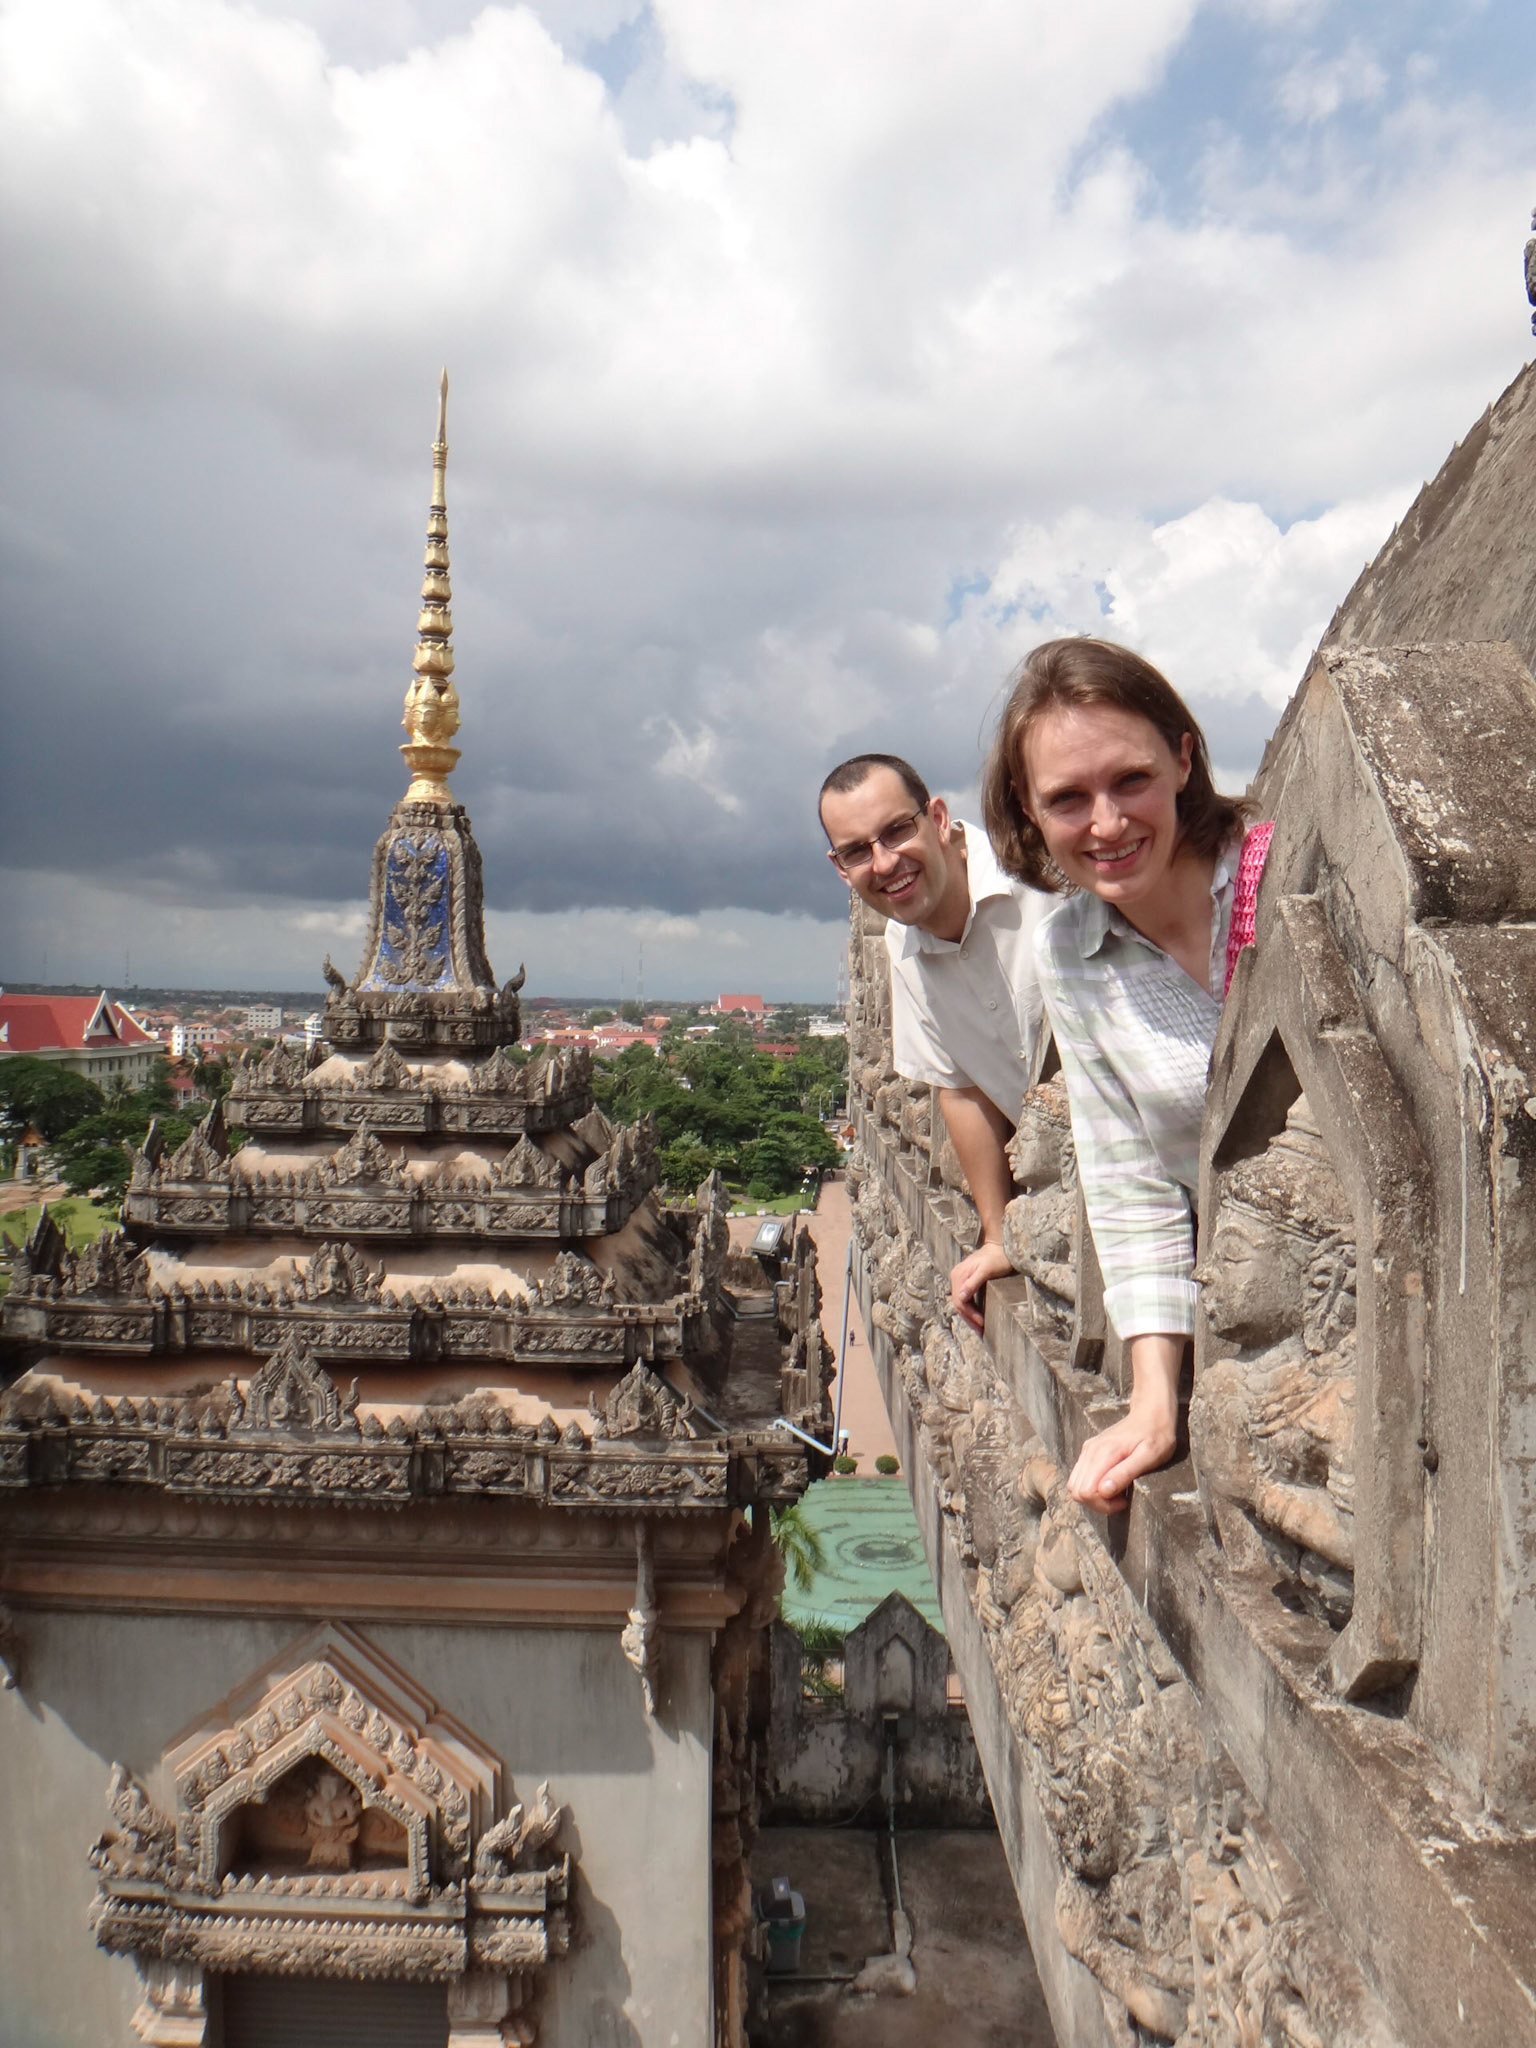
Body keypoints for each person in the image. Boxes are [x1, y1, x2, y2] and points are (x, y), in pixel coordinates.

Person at [981, 638, 1256, 1511]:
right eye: (1068, 797)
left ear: (1183, 759)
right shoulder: (1069, 949)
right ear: (1028, 807)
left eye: (1129, 779)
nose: (1105, 823)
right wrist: (1151, 1401)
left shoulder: (1283, 873)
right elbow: (1129, 1177)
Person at [819, 752, 1050, 1328]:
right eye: (857, 851)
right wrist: (997, 1236)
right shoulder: (903, 946)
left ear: (939, 818)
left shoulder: (1045, 873)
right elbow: (961, 1086)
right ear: (840, 867)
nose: (884, 861)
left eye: (897, 830)